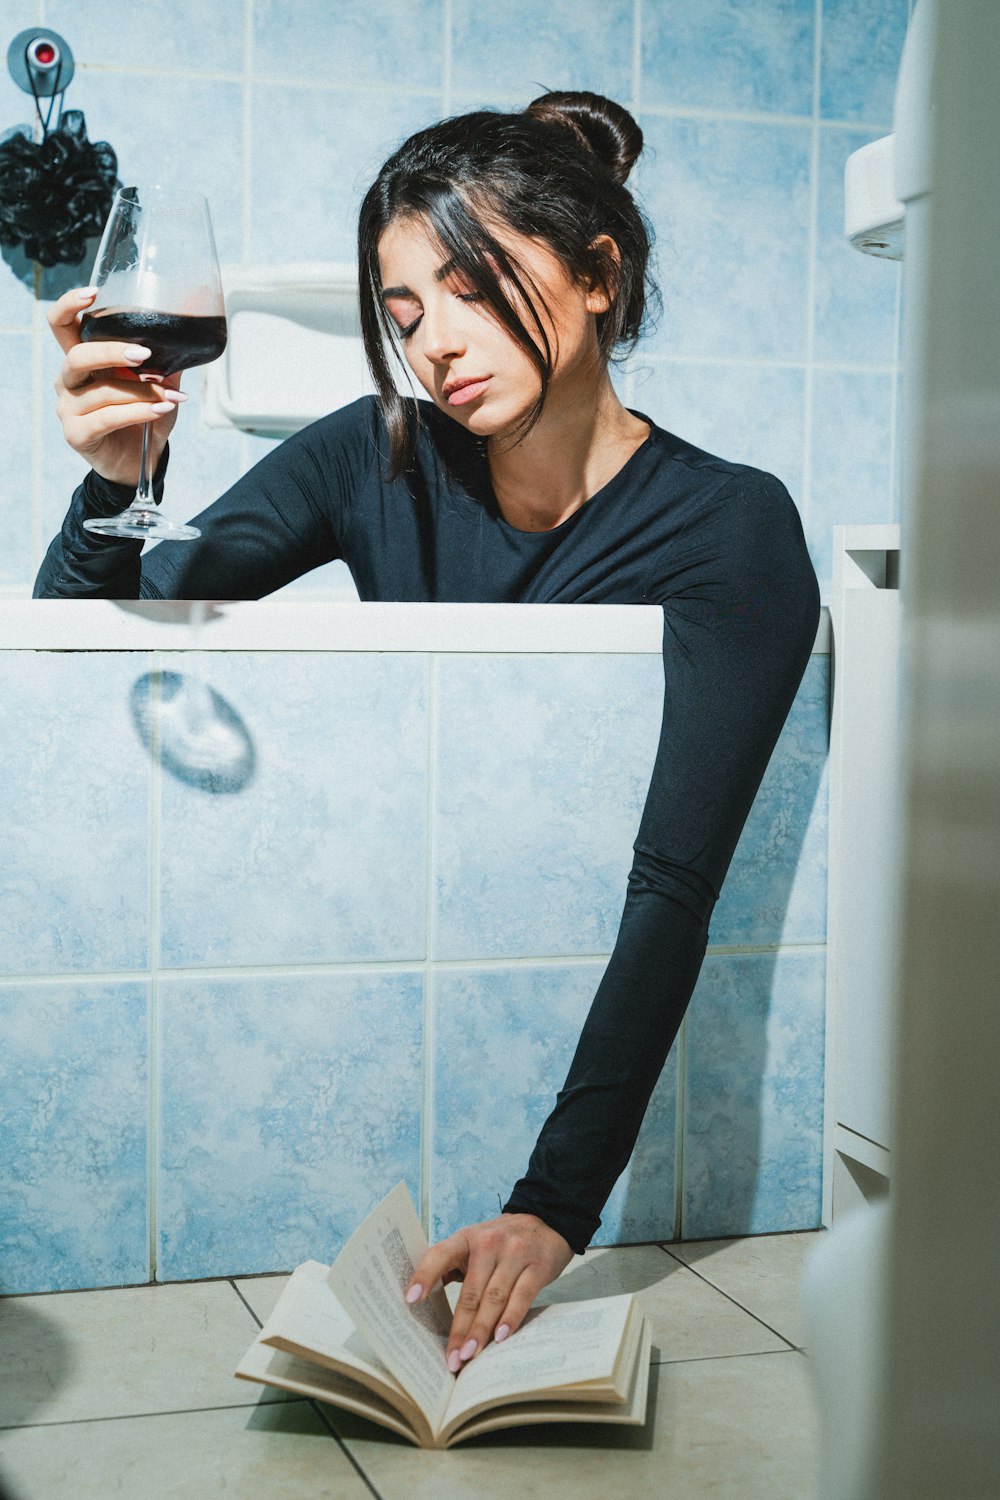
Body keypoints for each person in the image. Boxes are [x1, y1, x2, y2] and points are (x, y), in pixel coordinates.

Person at [37, 91, 820, 1377]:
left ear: (597, 275)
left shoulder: (729, 526)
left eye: (471, 288)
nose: (436, 346)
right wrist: (111, 486)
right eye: (403, 316)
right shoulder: (373, 453)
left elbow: (675, 882)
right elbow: (93, 646)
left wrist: (555, 1204)